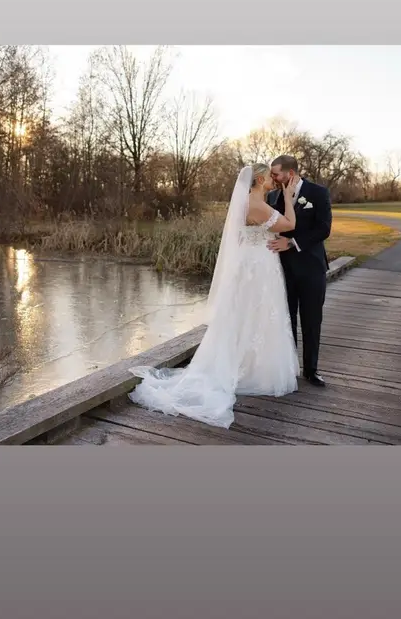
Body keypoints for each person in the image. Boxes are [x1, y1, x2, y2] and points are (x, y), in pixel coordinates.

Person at [128, 163, 300, 429]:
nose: (273, 181)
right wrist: (288, 197)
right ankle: (251, 370)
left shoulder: (246, 202)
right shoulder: (256, 205)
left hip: (251, 264)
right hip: (258, 267)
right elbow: (289, 224)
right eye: (269, 177)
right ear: (259, 179)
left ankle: (248, 363)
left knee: (248, 315)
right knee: (257, 314)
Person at [266, 155, 332, 387]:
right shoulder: (273, 196)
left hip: (312, 268)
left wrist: (292, 243)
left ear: (290, 173)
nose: (273, 178)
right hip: (283, 269)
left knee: (312, 320)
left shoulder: (318, 193)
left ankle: (311, 370)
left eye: (276, 174)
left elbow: (324, 229)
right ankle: (290, 368)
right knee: (287, 320)